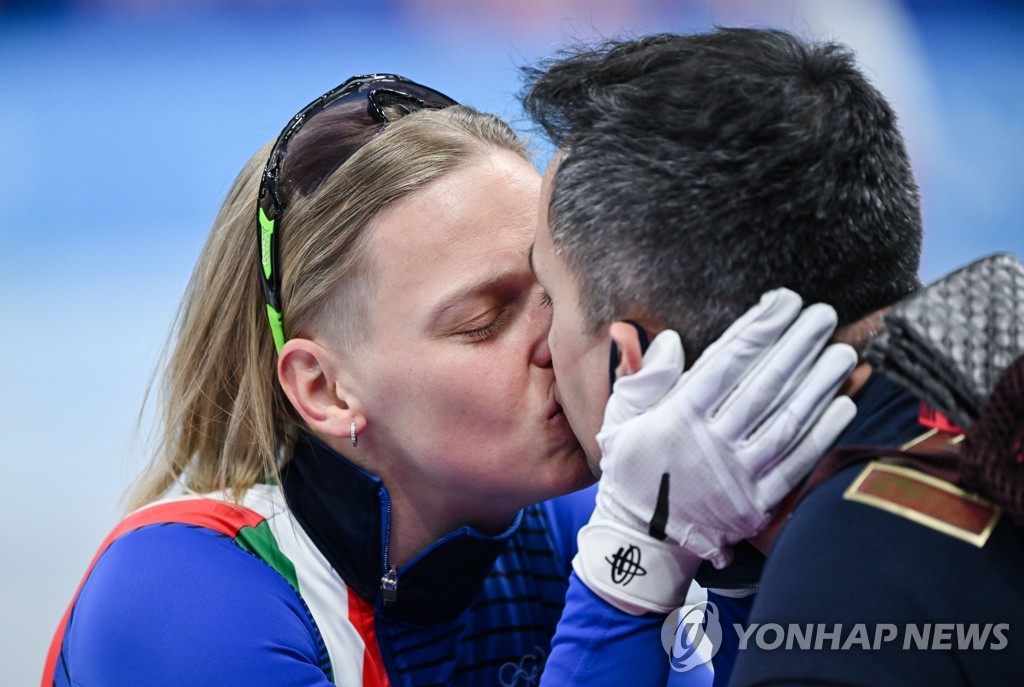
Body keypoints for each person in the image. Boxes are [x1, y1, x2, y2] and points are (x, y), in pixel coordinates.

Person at [41, 73, 851, 687]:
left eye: (556, 290)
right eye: (483, 319)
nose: (560, 343)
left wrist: (747, 558)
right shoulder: (180, 599)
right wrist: (626, 584)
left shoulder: (576, 522)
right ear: (324, 391)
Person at [516, 28, 1022, 686]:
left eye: (550, 294)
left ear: (631, 365)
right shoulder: (996, 347)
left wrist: (627, 569)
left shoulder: (837, 611)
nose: (536, 341)